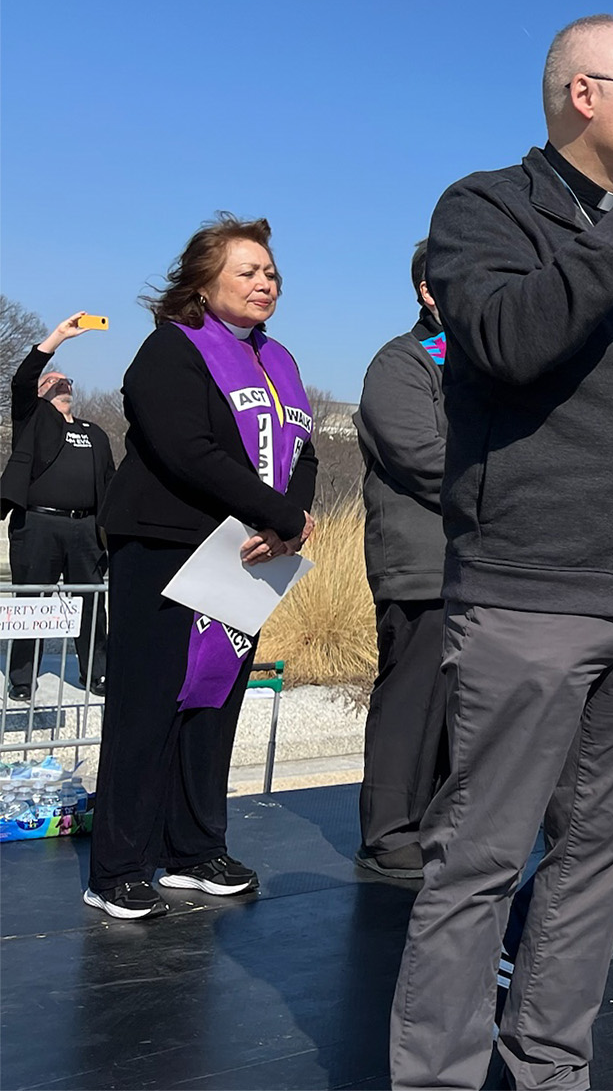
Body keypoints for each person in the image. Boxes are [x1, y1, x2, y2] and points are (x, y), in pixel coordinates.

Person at [388, 15, 613, 1091]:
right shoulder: (485, 207)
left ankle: (548, 1069)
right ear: (585, 95)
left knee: (602, 863)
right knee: (480, 862)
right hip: (532, 594)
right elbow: (504, 342)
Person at [84, 215, 318, 920]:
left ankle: (193, 849)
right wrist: (275, 514)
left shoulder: (278, 360)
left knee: (213, 702)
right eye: (247, 271)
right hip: (164, 548)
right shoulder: (171, 351)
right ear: (203, 281)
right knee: (147, 704)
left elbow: (304, 451)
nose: (264, 283)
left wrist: (292, 519)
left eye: (270, 272)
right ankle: (118, 865)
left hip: (246, 558)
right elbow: (189, 451)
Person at [351, 239, 449, 879]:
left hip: (482, 567)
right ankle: (390, 835)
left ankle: (440, 829)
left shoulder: (483, 364)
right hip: (421, 563)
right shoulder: (402, 362)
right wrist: (522, 487)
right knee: (412, 705)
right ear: (427, 290)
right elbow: (421, 458)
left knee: (457, 714)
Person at [2, 313, 115, 700]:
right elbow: (22, 380)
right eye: (53, 381)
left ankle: (96, 673)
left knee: (91, 602)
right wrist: (59, 337)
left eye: (67, 381)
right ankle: (21, 678)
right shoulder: (33, 420)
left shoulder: (93, 432)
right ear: (39, 393)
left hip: (85, 529)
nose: (62, 383)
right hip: (38, 525)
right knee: (31, 601)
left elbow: (111, 484)